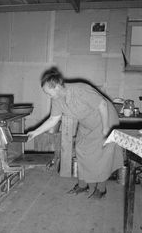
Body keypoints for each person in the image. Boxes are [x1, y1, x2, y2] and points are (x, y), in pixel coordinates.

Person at [27, 66, 123, 199]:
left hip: (105, 119)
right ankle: (82, 185)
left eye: (48, 93)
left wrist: (106, 128)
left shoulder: (80, 90)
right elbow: (53, 119)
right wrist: (34, 132)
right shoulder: (57, 99)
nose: (48, 96)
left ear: (57, 87)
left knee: (100, 154)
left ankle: (101, 189)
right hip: (86, 122)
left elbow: (103, 105)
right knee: (80, 149)